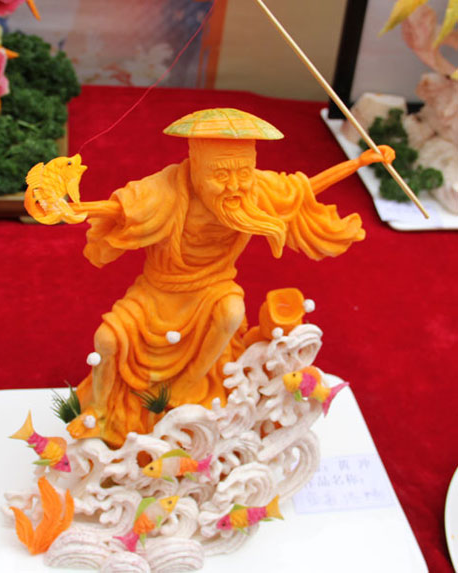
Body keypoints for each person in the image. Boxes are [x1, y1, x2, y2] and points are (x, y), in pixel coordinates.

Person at [37, 108, 395, 447]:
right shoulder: (166, 189)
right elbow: (122, 209)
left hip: (214, 285)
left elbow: (302, 190)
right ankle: (101, 412)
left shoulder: (253, 190)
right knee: (106, 340)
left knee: (231, 312)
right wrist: (74, 209)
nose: (234, 186)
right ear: (196, 167)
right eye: (220, 175)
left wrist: (358, 163)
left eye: (243, 172)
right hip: (159, 289)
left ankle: (190, 384)